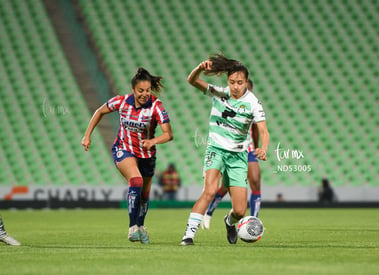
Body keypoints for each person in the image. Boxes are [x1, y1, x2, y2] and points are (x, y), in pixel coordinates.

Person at [180, 54, 269, 246]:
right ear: (227, 81)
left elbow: (263, 130)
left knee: (239, 211)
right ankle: (188, 236)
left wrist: (263, 147)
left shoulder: (253, 103)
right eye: (232, 82)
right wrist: (199, 68)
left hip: (238, 157)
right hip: (216, 149)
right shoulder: (219, 93)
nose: (235, 86)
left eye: (240, 82)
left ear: (246, 82)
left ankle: (229, 222)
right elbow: (192, 80)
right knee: (209, 191)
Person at [81, 68, 173, 244]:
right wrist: (87, 135)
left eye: (147, 90)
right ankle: (132, 228)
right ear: (133, 89)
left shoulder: (156, 106)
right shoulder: (122, 102)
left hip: (147, 154)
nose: (145, 94)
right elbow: (99, 111)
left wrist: (153, 141)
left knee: (145, 194)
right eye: (141, 91)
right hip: (124, 149)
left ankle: (140, 225)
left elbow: (169, 134)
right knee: (136, 181)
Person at [201, 79, 262, 230]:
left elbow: (256, 130)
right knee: (224, 187)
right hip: (227, 148)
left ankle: (253, 221)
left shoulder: (252, 104)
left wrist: (257, 148)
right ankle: (209, 212)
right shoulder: (227, 100)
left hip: (247, 149)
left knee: (255, 181)